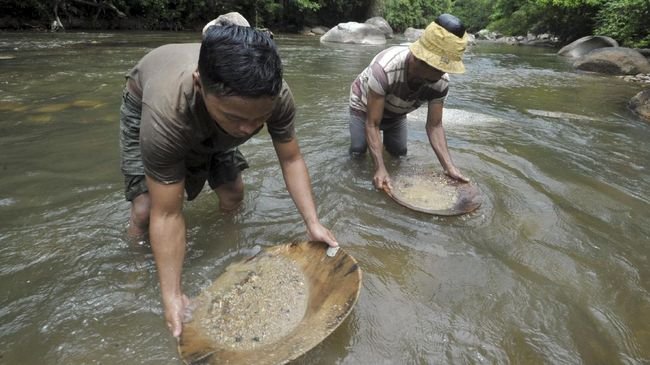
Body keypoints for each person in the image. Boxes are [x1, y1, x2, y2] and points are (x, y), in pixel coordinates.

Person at [119, 24, 339, 337]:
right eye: (237, 118)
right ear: (199, 84)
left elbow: (290, 158)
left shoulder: (274, 97)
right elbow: (168, 212)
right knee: (146, 208)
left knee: (233, 192)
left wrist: (312, 223)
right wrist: (172, 295)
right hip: (146, 100)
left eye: (258, 120)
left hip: (211, 110)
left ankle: (230, 248)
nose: (248, 130)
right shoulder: (165, 115)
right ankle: (136, 257)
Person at [348, 14, 470, 191]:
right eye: (439, 69)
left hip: (397, 111)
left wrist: (448, 167)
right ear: (420, 60)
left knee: (399, 153)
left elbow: (435, 126)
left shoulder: (440, 82)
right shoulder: (384, 69)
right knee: (358, 150)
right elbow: (373, 123)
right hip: (364, 105)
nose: (443, 73)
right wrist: (379, 168)